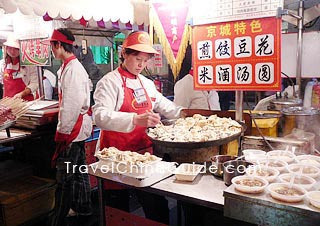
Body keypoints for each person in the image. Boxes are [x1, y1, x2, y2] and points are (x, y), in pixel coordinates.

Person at [92, 31, 183, 224]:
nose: (141, 65)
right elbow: (99, 116)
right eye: (137, 59)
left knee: (157, 208)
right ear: (124, 54)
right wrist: (135, 119)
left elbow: (165, 106)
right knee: (117, 211)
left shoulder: (147, 83)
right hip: (116, 157)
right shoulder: (109, 82)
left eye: (145, 60)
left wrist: (185, 116)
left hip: (145, 157)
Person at [42, 28, 93, 226]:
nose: (52, 50)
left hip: (73, 130)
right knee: (79, 173)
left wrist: (63, 134)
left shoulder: (72, 69)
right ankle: (84, 209)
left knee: (64, 178)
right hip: (78, 130)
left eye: (52, 46)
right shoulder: (69, 67)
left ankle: (58, 219)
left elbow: (71, 106)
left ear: (58, 45)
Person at [0, 35, 39, 101]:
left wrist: (22, 94)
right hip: (8, 101)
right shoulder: (2, 64)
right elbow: (1, 81)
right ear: (6, 48)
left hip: (25, 101)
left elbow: (35, 83)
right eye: (10, 48)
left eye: (16, 48)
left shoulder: (29, 64)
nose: (12, 51)